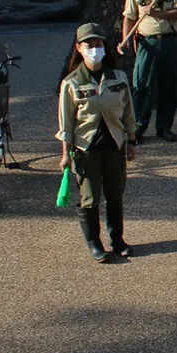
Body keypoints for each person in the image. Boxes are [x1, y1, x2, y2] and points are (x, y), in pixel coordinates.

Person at [56, 23, 137, 263]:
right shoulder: (71, 82)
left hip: (114, 144)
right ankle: (94, 243)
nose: (94, 49)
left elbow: (128, 113)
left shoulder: (118, 77)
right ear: (79, 49)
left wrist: (131, 141)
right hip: (86, 147)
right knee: (90, 198)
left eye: (98, 45)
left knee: (115, 193)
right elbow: (66, 124)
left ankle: (117, 239)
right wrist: (65, 154)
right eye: (89, 45)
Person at [119, 0, 177, 142]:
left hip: (169, 41)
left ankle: (164, 127)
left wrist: (157, 14)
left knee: (168, 85)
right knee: (141, 85)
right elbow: (129, 18)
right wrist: (125, 41)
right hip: (146, 43)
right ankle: (139, 127)